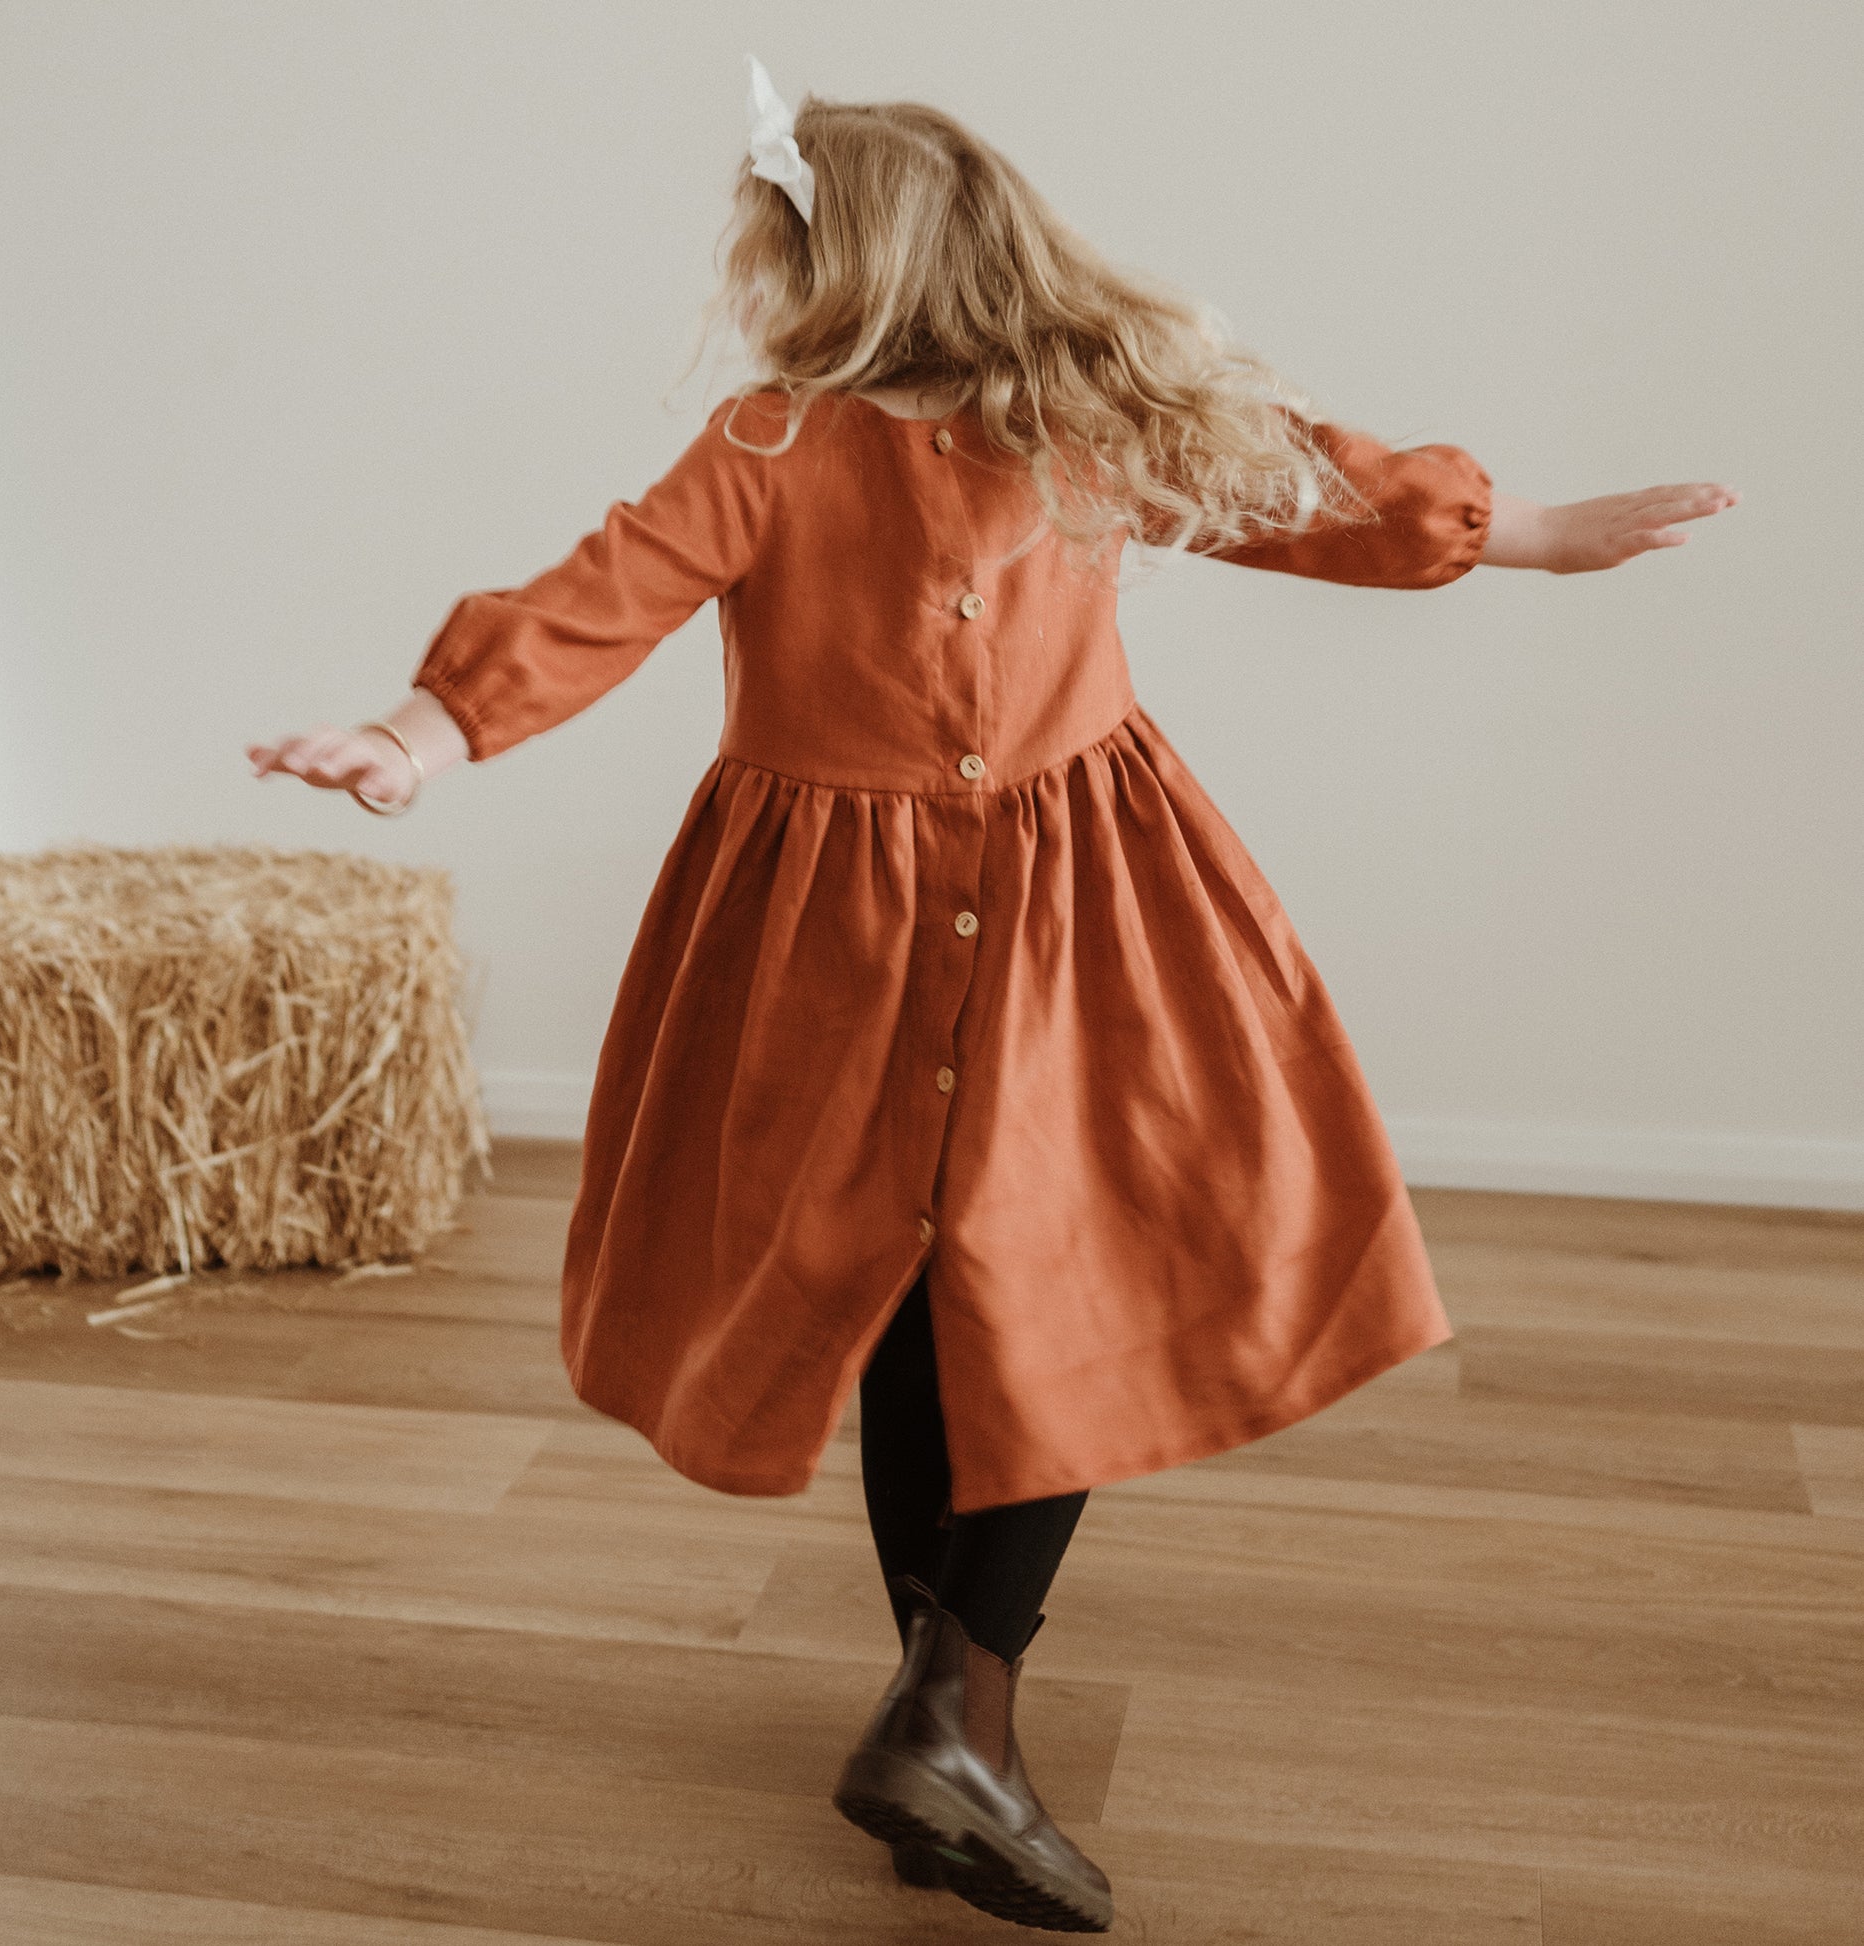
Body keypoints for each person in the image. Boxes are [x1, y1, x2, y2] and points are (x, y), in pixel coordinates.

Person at [248, 59, 1736, 1936]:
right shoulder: (804, 447)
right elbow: (599, 597)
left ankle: (953, 1715)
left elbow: (1300, 488)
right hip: (926, 920)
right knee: (969, 1285)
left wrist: (1514, 529)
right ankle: (955, 1717)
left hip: (1012, 909)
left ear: (832, 261)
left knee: (972, 1293)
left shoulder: (1039, 425)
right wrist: (423, 724)